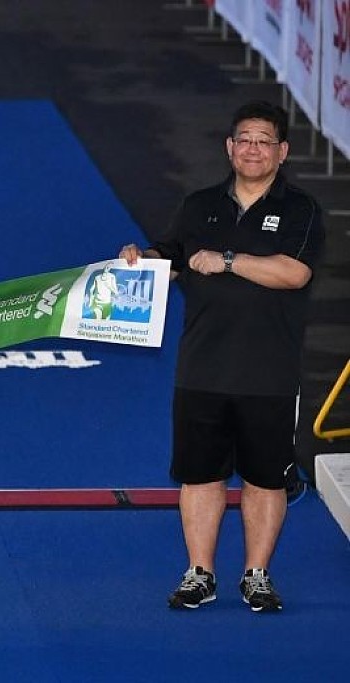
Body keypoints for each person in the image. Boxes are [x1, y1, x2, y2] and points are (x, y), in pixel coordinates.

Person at [119, 100, 325, 613]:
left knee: (265, 480)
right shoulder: (199, 205)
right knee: (199, 476)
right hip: (202, 367)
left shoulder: (301, 210)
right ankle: (200, 573)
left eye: (264, 141)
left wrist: (228, 260)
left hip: (269, 373)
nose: (253, 149)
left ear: (282, 152)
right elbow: (170, 258)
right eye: (244, 140)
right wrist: (140, 259)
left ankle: (257, 575)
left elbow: (294, 273)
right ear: (230, 148)